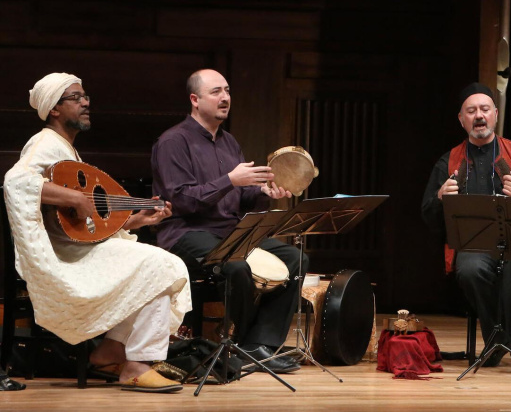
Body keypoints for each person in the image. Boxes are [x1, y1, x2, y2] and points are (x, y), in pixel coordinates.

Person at [3, 72, 192, 393]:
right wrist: (76, 197)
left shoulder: (66, 149)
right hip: (64, 259)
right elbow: (16, 182)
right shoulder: (44, 142)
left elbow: (84, 227)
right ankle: (136, 365)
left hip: (77, 250)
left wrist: (137, 221)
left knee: (154, 268)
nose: (86, 102)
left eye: (85, 96)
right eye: (76, 98)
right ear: (54, 109)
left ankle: (110, 352)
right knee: (162, 265)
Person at [151, 69, 305, 373]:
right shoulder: (172, 141)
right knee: (236, 265)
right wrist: (230, 180)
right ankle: (247, 345)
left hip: (228, 230)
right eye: (216, 92)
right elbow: (182, 200)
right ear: (195, 100)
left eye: (227, 90)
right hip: (186, 232)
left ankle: (257, 345)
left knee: (295, 258)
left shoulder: (229, 142)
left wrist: (262, 192)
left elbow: (240, 199)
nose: (225, 98)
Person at [421, 82, 511, 373]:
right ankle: (498, 339)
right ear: (462, 119)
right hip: (475, 246)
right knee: (469, 270)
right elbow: (428, 218)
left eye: (484, 109)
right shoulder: (449, 162)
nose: (479, 116)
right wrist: (440, 198)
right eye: (471, 111)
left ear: (495, 114)